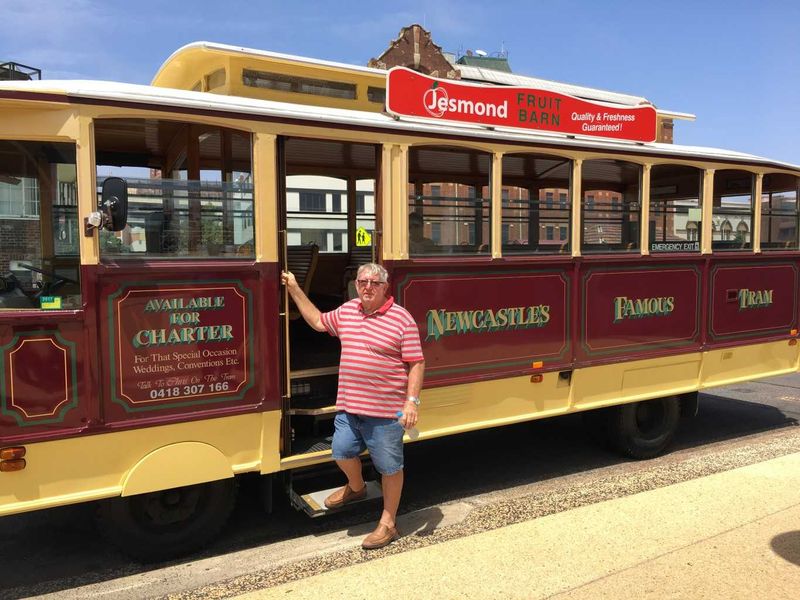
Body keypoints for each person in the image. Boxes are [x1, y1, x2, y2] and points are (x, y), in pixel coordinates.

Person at [281, 262, 425, 549]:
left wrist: (411, 402)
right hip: (349, 407)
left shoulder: (402, 319)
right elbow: (318, 321)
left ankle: (388, 523)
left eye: (374, 283)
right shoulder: (348, 311)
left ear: (385, 287)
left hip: (386, 413)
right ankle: (357, 488)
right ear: (355, 285)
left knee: (389, 468)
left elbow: (416, 363)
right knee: (341, 451)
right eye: (362, 282)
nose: (367, 287)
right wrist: (294, 288)